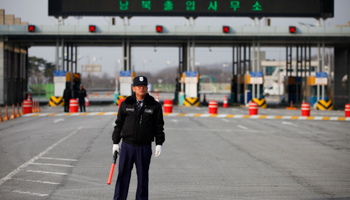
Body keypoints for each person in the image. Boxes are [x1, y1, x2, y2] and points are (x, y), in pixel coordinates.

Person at [112, 76, 165, 200]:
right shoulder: (126, 104)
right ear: (134, 88)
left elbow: (159, 126)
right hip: (127, 146)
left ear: (147, 88)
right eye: (139, 86)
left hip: (144, 147)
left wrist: (159, 143)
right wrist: (115, 142)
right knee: (123, 176)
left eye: (144, 86)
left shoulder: (155, 106)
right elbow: (118, 124)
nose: (142, 88)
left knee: (142, 179)